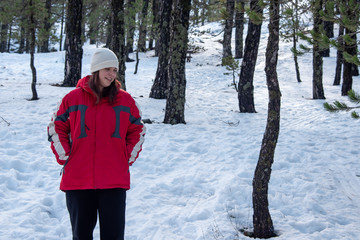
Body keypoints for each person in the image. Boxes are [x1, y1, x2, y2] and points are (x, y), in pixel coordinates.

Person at [47, 48, 146, 240]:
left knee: (113, 236)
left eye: (114, 70)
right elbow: (56, 126)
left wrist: (125, 157)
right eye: (107, 69)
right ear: (96, 70)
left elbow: (138, 130)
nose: (111, 74)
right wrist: (66, 156)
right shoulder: (72, 99)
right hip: (78, 180)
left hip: (113, 181)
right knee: (81, 235)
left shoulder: (125, 100)